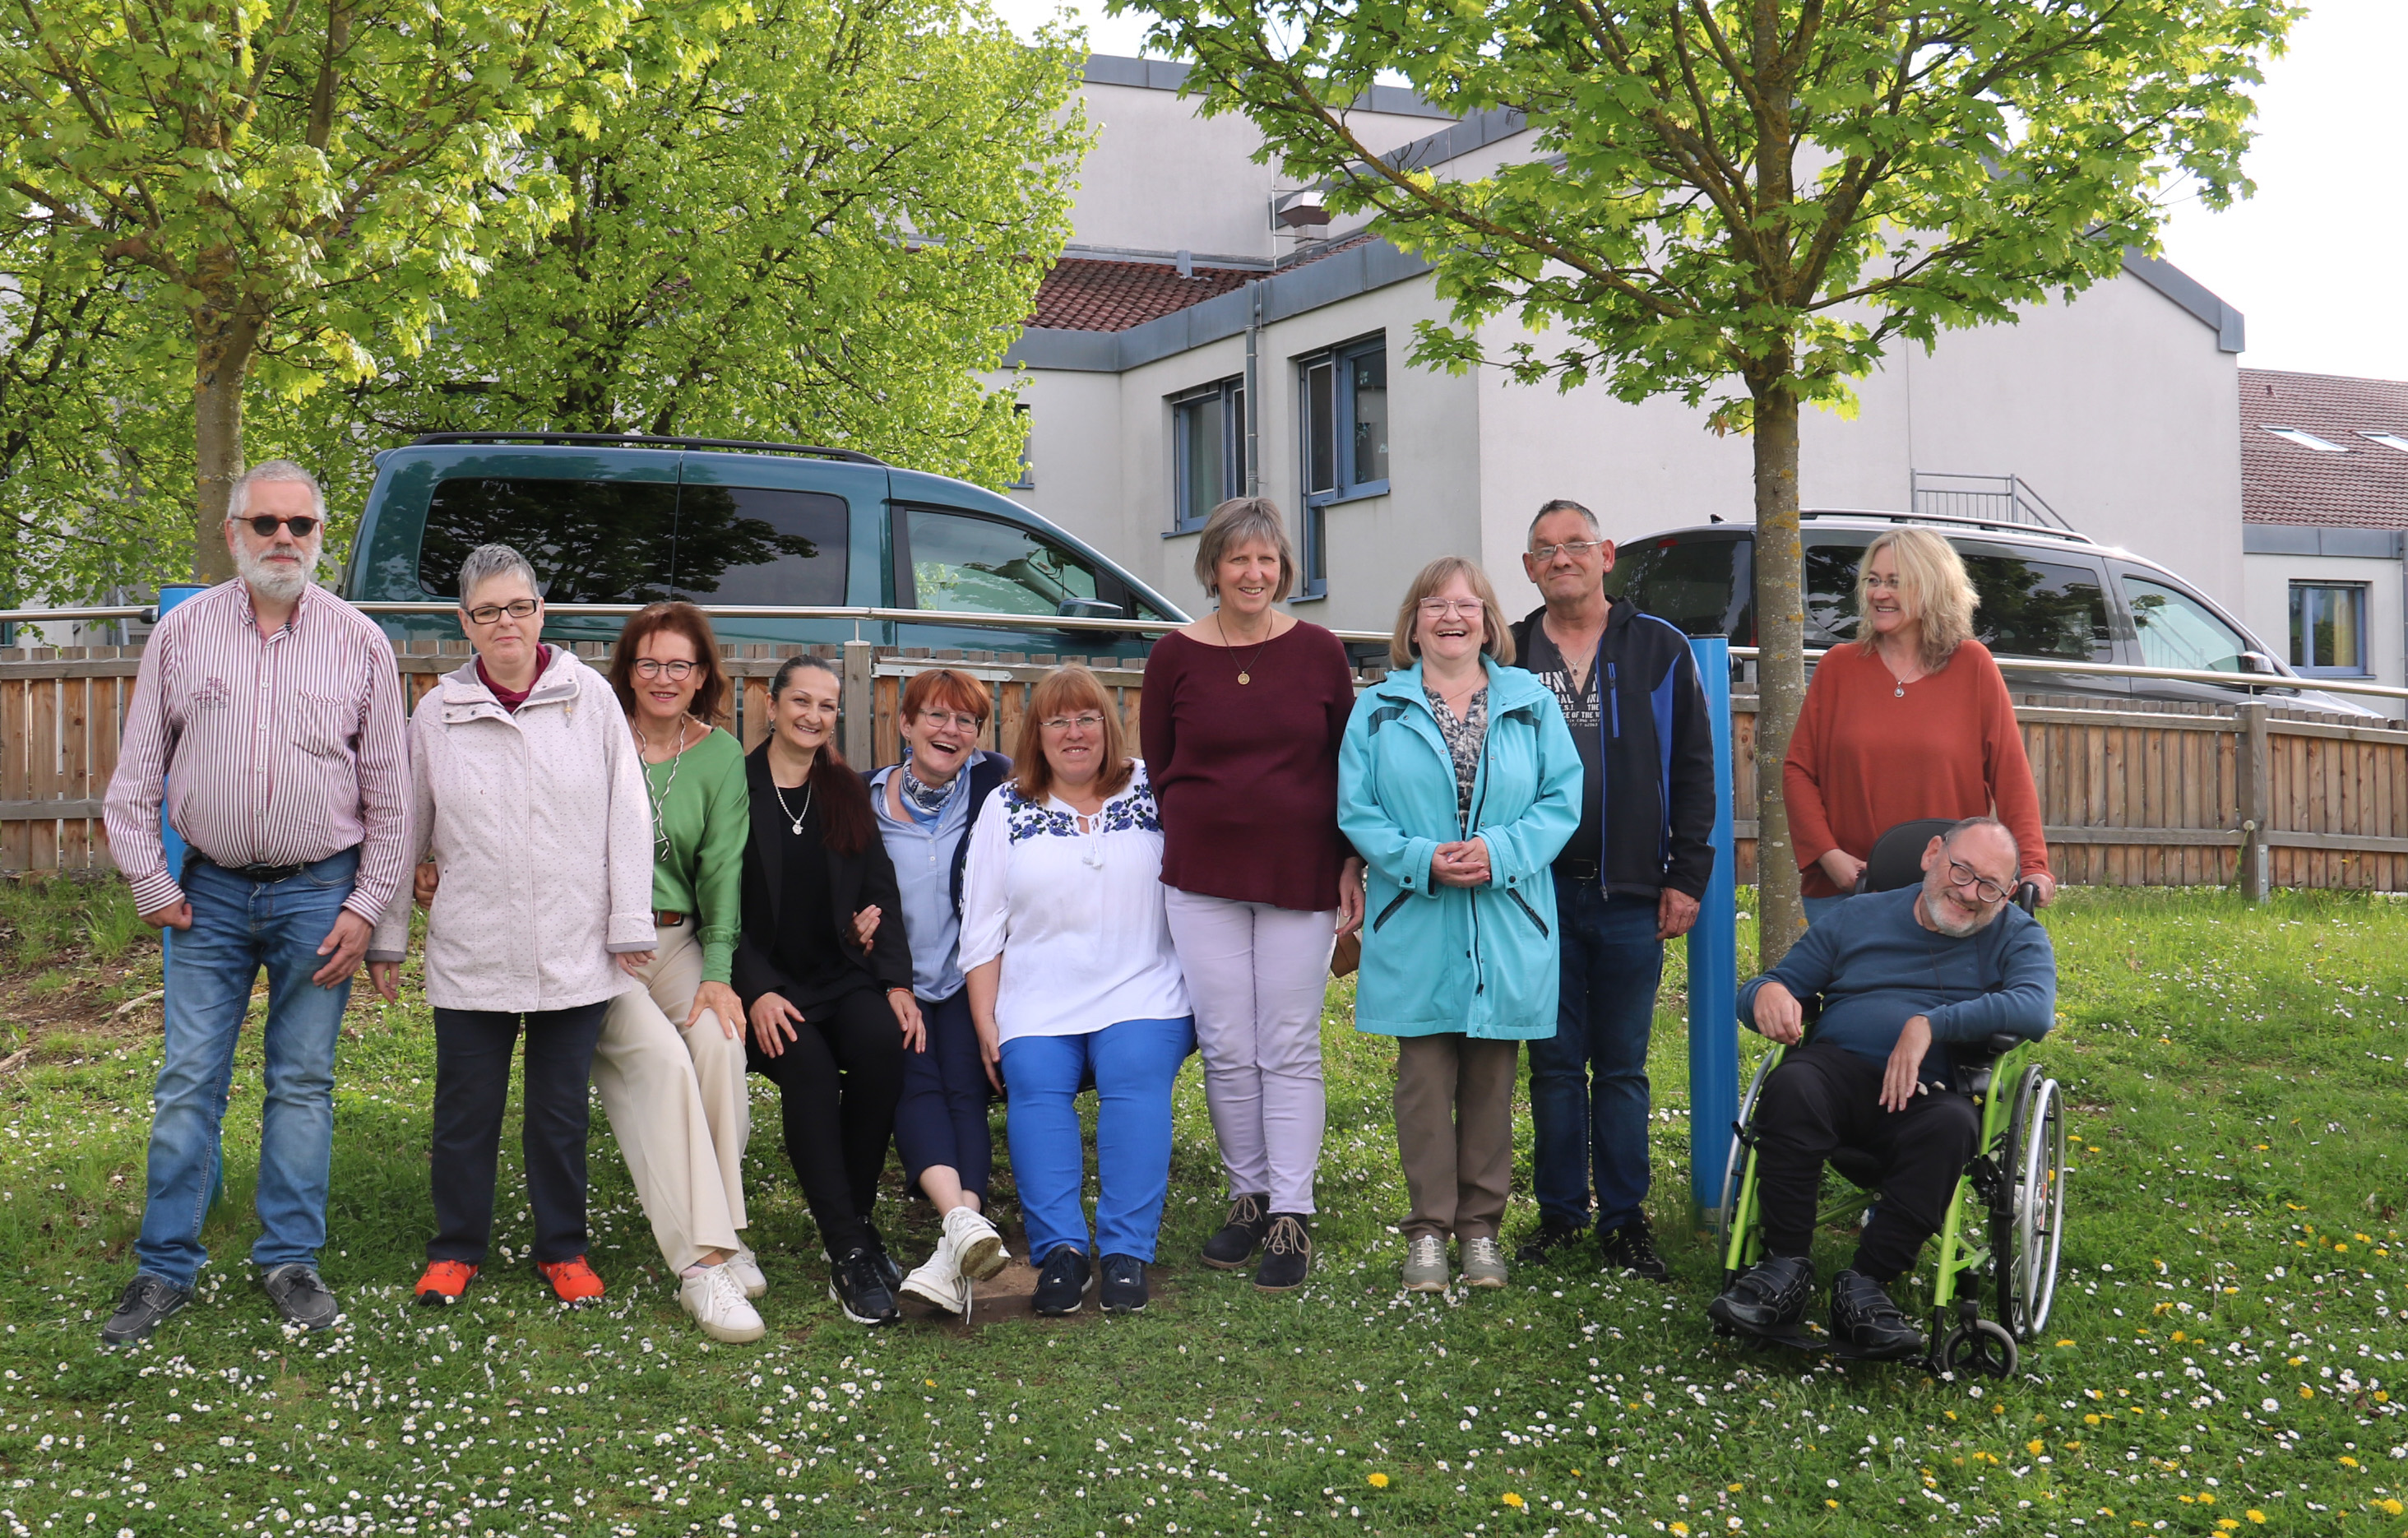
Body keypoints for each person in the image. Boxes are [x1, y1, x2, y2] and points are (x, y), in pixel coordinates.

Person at [98, 461, 410, 1346]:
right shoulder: (182, 635)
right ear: (233, 533)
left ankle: (288, 1259)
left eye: (300, 525)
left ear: (321, 537)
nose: (283, 538)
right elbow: (132, 786)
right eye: (265, 522)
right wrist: (152, 885)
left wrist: (367, 904)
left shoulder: (360, 643)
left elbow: (393, 799)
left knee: (302, 1082)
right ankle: (164, 1267)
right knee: (189, 1080)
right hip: (210, 896)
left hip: (321, 894)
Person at [373, 544, 657, 1308]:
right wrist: (388, 936)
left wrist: (630, 920)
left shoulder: (587, 698)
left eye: (520, 607)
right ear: (465, 623)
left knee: (558, 1114)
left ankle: (562, 1247)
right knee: (466, 1111)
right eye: (489, 610)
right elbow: (406, 828)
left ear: (542, 613)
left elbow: (627, 816)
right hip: (475, 946)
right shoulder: (436, 713)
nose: (508, 622)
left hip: (574, 942)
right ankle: (455, 1249)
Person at [1710, 818, 2054, 1355]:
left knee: (1952, 1124)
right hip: (1837, 1074)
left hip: (1933, 1091)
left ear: (2007, 893)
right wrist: (1765, 996)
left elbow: (2035, 1010)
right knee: (1793, 1083)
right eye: (1961, 872)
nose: (1969, 894)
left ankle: (1866, 1285)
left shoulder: (2016, 933)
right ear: (1932, 854)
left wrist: (1929, 1025)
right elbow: (1771, 986)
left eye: (1989, 887)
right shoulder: (1856, 916)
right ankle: (1784, 1270)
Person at [1338, 557, 1580, 1295]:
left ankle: (1480, 1232)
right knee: (1421, 1084)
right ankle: (1426, 1234)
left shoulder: (1531, 703)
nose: (1451, 617)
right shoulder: (1377, 708)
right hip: (1419, 919)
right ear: (1413, 623)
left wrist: (1500, 852)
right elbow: (1358, 811)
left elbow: (1561, 799)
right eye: (1435, 605)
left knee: (1490, 1085)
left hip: (1507, 920)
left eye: (1466, 605)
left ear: (1489, 621)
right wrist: (1420, 859)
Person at [1140, 497, 1363, 1292]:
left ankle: (1292, 1213)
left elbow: (1349, 768)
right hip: (1202, 880)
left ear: (1284, 570)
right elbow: (1160, 766)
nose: (1254, 573)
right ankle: (1247, 1197)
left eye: (1267, 560)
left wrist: (1348, 862)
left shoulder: (1320, 652)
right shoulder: (1174, 656)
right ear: (1212, 567)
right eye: (1239, 559)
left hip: (1301, 874)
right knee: (1229, 1043)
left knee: (1289, 1042)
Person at [1507, 498, 1716, 1281]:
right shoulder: (1511, 652)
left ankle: (1626, 1221)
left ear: (1607, 554)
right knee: (1554, 1064)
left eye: (1575, 545)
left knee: (1623, 1067)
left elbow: (1696, 768)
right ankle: (1560, 1217)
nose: (1561, 558)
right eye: (1545, 549)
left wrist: (1686, 875)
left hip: (1632, 893)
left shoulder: (1660, 648)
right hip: (1535, 892)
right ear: (1529, 567)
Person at [959, 665, 1194, 1317]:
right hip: (1037, 995)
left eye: (1086, 717)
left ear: (1107, 725)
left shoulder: (1152, 786)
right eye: (1056, 720)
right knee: (1034, 1084)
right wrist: (987, 1017)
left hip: (1142, 985)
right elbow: (981, 926)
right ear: (1036, 733)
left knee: (1134, 1074)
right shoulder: (1005, 806)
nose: (1073, 732)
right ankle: (1061, 1252)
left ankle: (1124, 1253)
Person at [734, 655, 923, 1327]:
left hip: (841, 975)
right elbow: (714, 904)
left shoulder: (842, 789)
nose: (814, 716)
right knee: (810, 1070)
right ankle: (848, 1250)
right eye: (801, 702)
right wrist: (754, 989)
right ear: (772, 706)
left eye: (826, 706)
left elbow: (880, 891)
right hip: (767, 984)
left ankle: (855, 1221)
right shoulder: (735, 785)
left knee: (881, 1046)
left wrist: (895, 981)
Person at [595, 605, 762, 1340]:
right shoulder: (596, 735)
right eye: (649, 663)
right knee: (661, 1064)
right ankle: (702, 1265)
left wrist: (718, 972)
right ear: (628, 671)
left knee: (720, 1041)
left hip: (677, 939)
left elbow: (723, 872)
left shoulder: (721, 754)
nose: (664, 679)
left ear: (703, 676)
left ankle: (725, 1227)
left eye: (680, 666)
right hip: (598, 950)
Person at [1783, 527, 2052, 924]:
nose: (1879, 594)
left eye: (1896, 582)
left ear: (1932, 588)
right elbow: (1798, 772)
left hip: (1952, 894)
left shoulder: (1972, 666)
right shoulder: (1838, 667)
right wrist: (1828, 855)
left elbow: (2010, 775)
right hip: (1848, 889)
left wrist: (2032, 865)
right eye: (1873, 581)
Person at [867, 669, 1014, 1316]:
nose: (949, 731)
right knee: (913, 1080)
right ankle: (964, 1229)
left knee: (964, 1089)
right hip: (895, 982)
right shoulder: (863, 800)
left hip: (965, 978)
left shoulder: (994, 788)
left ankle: (954, 1236)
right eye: (935, 716)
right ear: (904, 724)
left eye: (966, 722)